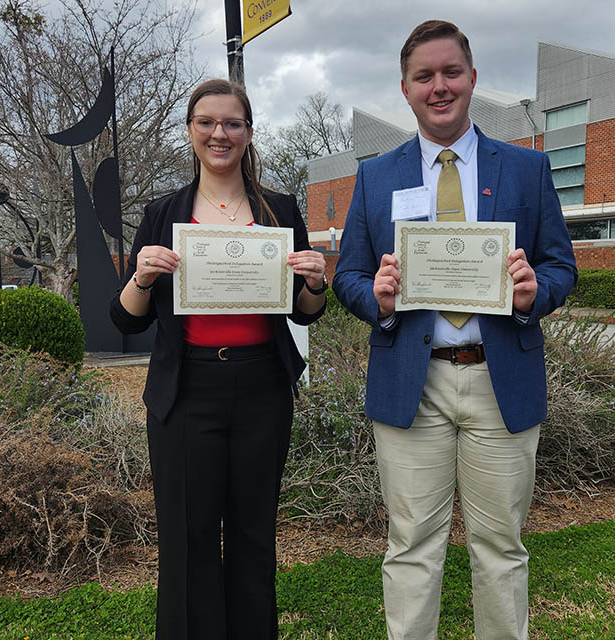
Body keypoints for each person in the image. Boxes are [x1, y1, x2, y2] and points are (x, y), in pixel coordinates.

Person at [331, 20, 577, 640]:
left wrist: (533, 293)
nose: (439, 87)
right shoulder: (375, 176)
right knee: (412, 544)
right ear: (407, 88)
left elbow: (561, 266)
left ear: (472, 78)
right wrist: (379, 300)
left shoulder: (526, 168)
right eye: (424, 77)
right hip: (413, 384)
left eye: (451, 73)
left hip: (501, 381)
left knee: (500, 546)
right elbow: (349, 277)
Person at [109, 78, 327, 640]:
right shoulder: (163, 214)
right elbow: (127, 318)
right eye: (206, 122)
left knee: (255, 535)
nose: (219, 133)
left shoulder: (278, 210)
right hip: (187, 390)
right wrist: (142, 275)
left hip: (262, 388)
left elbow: (304, 313)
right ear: (190, 132)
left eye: (232, 123)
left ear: (249, 133)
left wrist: (315, 282)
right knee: (188, 539)